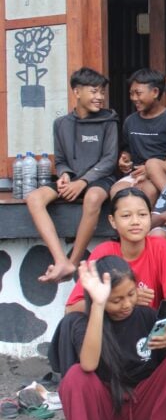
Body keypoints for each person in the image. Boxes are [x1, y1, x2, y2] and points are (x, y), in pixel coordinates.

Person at [56, 256, 166, 420]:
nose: (126, 305)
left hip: (145, 410)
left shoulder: (146, 315)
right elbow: (88, 365)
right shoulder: (83, 324)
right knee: (76, 376)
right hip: (106, 414)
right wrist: (98, 306)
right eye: (116, 300)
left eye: (131, 295)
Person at [31, 67, 118, 283]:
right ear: (77, 92)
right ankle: (60, 259)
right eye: (94, 91)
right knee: (34, 198)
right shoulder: (61, 124)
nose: (100, 97)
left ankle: (73, 262)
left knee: (93, 197)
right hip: (72, 180)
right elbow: (60, 160)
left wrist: (83, 182)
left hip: (99, 178)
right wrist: (65, 175)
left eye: (102, 92)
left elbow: (109, 159)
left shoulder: (109, 121)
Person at [64, 188, 166, 314]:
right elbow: (71, 309)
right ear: (112, 221)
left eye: (142, 215)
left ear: (150, 216)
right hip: (112, 330)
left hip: (150, 328)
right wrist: (123, 301)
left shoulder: (160, 247)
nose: (135, 222)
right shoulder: (104, 252)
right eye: (126, 216)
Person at [112, 68, 166, 203]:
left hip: (160, 175)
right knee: (116, 191)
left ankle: (151, 224)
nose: (134, 98)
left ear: (155, 92)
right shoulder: (130, 121)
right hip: (135, 174)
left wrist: (150, 170)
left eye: (138, 93)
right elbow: (127, 149)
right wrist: (125, 159)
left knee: (148, 192)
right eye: (131, 94)